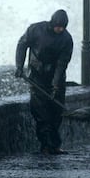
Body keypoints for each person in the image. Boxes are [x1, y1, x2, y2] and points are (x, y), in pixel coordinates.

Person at [15, 9, 73, 155]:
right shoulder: (36, 29)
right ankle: (46, 145)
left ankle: (55, 145)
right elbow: (22, 45)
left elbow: (62, 63)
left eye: (63, 27)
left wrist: (55, 84)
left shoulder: (66, 39)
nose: (60, 29)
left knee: (56, 113)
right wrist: (19, 66)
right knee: (42, 114)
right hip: (37, 77)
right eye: (58, 26)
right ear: (52, 23)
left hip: (57, 77)